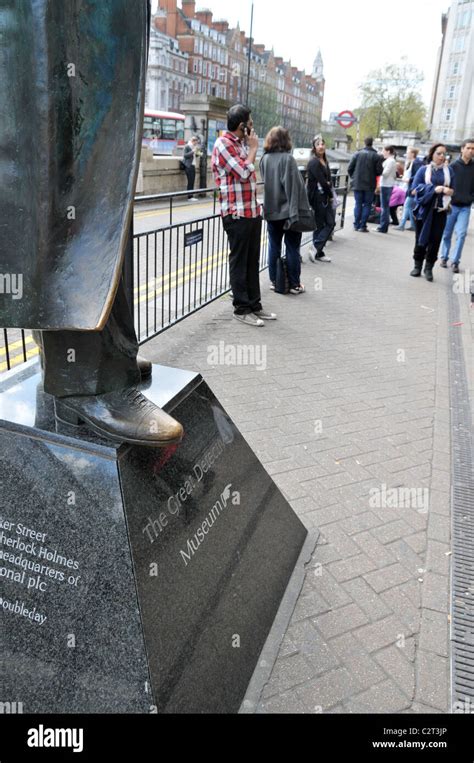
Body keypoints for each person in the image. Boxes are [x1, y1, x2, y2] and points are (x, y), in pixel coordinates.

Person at [211, 104, 276, 326]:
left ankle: (254, 305)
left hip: (251, 211)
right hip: (236, 214)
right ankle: (241, 309)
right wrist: (253, 149)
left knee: (251, 261)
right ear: (242, 126)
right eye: (250, 124)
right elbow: (242, 172)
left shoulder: (240, 144)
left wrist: (249, 149)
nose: (253, 128)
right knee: (239, 262)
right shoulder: (223, 144)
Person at [260, 126, 309, 293]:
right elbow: (292, 189)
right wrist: (295, 215)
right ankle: (294, 284)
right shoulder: (288, 160)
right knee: (292, 247)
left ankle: (275, 281)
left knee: (274, 247)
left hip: (271, 212)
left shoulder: (264, 159)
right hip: (288, 213)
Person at [410, 143, 455, 282]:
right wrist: (434, 189)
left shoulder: (449, 172)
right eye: (439, 153)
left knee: (435, 240)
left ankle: (428, 268)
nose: (442, 157)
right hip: (424, 211)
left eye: (444, 154)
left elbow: (453, 191)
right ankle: (417, 265)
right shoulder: (423, 170)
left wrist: (449, 191)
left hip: (440, 211)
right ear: (432, 154)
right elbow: (413, 190)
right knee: (420, 238)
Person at [439, 138, 474, 273]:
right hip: (451, 206)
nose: (471, 151)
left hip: (465, 207)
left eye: (473, 149)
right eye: (469, 148)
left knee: (462, 233)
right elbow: (446, 185)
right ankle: (444, 257)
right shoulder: (452, 166)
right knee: (447, 234)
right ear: (462, 149)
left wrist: (470, 198)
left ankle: (455, 261)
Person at [307, 135, 334, 262]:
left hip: (325, 196)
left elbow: (328, 181)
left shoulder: (325, 161)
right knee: (325, 224)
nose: (321, 146)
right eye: (318, 144)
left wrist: (329, 189)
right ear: (314, 147)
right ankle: (317, 249)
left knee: (328, 223)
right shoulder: (314, 162)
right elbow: (323, 182)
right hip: (318, 197)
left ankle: (317, 250)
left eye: (323, 144)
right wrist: (330, 194)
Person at [348, 136, 383, 232]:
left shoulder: (357, 154)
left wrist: (354, 177)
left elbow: (350, 168)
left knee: (358, 203)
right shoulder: (376, 156)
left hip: (357, 183)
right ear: (372, 143)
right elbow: (379, 171)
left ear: (364, 143)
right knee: (367, 204)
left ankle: (356, 224)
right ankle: (363, 225)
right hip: (370, 184)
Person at [396, 147, 423, 231]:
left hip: (413, 187)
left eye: (408, 153)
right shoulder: (413, 162)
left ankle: (402, 225)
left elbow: (418, 174)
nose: (406, 154)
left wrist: (409, 179)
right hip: (411, 187)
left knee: (407, 205)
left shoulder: (416, 163)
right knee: (410, 207)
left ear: (412, 154)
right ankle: (413, 225)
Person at [374, 146, 397, 233]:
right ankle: (383, 226)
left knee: (384, 207)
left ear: (388, 151)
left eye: (383, 151)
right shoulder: (392, 161)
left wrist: (379, 170)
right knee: (385, 207)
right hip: (387, 185)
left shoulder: (390, 161)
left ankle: (382, 227)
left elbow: (386, 173)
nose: (382, 153)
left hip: (386, 185)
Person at [183, 135, 200, 199]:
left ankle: (191, 196)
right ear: (193, 141)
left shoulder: (194, 147)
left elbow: (196, 156)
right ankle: (189, 197)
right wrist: (193, 151)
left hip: (193, 166)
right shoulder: (187, 146)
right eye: (196, 142)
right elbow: (185, 155)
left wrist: (198, 153)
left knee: (192, 181)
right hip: (189, 166)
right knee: (190, 181)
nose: (196, 144)